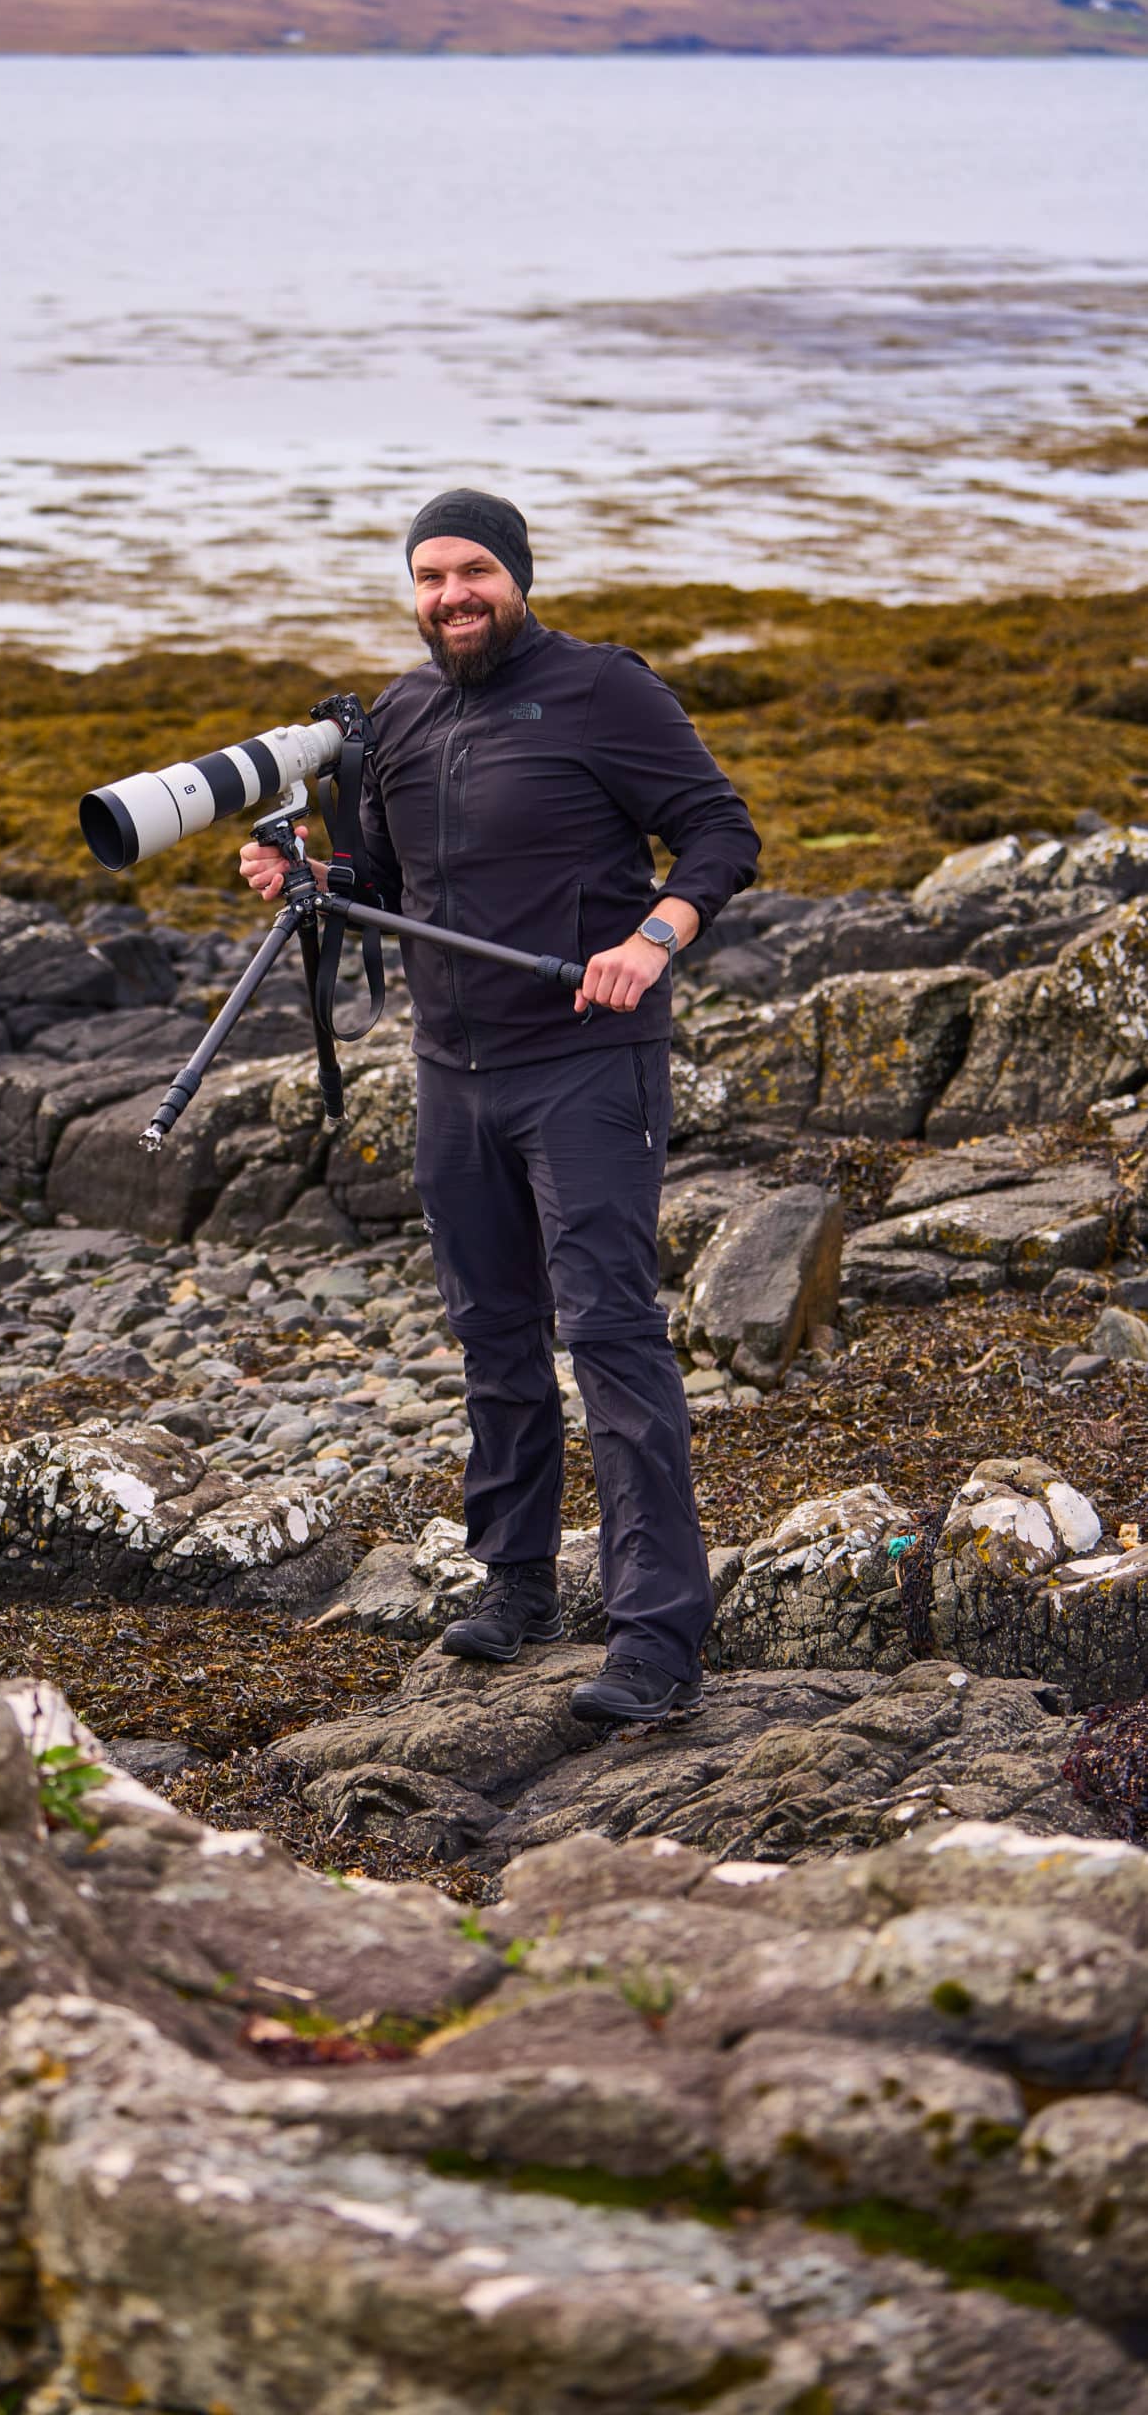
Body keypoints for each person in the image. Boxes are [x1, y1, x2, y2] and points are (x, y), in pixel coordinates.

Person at [239, 489, 760, 1726]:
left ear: (516, 575)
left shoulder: (601, 691)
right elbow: (386, 877)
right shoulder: (403, 712)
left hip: (586, 1061)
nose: (452, 595)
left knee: (612, 1338)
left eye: (473, 570)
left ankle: (655, 1640)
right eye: (430, 576)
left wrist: (654, 938)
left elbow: (719, 830)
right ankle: (517, 1579)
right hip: (451, 1071)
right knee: (495, 1334)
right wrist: (304, 874)